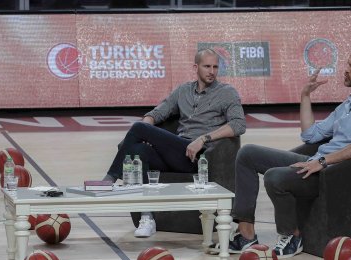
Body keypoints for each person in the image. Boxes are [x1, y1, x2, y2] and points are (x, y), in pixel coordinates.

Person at [212, 45, 351, 258]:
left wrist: (324, 162)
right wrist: (305, 96)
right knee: (247, 154)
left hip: (336, 174)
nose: (345, 70)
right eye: (347, 64)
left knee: (275, 177)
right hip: (319, 163)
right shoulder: (350, 102)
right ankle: (246, 235)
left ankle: (292, 236)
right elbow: (311, 134)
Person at [103, 48, 246, 238]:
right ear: (196, 67)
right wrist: (145, 135)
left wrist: (203, 138)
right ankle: (147, 218)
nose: (211, 71)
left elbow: (238, 125)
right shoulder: (183, 90)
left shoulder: (226, 93)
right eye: (207, 66)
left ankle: (110, 179)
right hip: (176, 150)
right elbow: (156, 114)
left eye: (215, 67)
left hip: (199, 156)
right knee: (138, 149)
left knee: (138, 129)